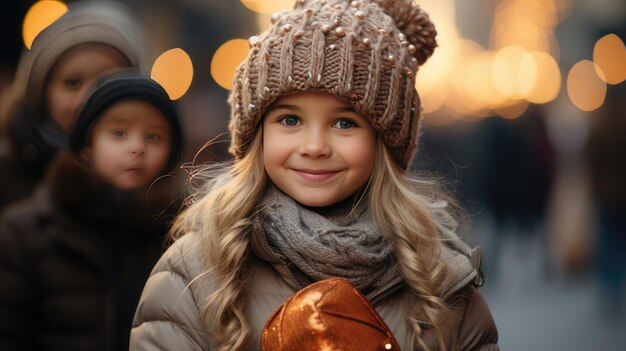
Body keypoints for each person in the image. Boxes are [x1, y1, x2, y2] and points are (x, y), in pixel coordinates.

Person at [131, 0, 498, 350]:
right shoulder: (195, 272)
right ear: (257, 135)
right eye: (290, 120)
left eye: (344, 122)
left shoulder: (438, 282)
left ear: (384, 142)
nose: (315, 146)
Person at [0, 73, 184, 351]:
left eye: (154, 136)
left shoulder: (181, 234)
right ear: (87, 146)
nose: (137, 147)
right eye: (118, 133)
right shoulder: (26, 232)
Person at [0, 0, 145, 211]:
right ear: (41, 93)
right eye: (72, 83)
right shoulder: (5, 176)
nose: (87, 98)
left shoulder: (154, 187)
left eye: (107, 82)